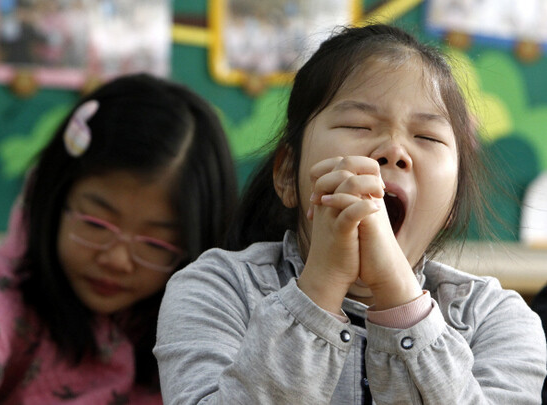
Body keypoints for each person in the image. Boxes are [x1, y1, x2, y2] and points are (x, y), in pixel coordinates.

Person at [154, 24, 546, 404]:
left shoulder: (497, 320)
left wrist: (398, 297)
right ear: (289, 174)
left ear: (453, 204)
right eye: (358, 125)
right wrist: (321, 284)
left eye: (426, 137)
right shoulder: (216, 289)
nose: (394, 151)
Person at [0, 73, 237, 404]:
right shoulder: (5, 293)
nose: (116, 259)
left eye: (156, 244)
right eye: (95, 223)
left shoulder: (210, 325)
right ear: (53, 197)